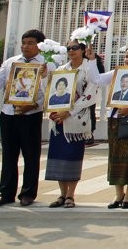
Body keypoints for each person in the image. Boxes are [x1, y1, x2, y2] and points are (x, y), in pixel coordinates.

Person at [87, 44, 128, 209]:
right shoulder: (117, 73)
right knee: (115, 157)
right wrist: (91, 61)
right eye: (126, 56)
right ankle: (118, 193)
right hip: (116, 120)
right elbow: (97, 79)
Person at [0, 31, 60, 207]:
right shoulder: (11, 62)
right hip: (9, 113)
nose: (26, 46)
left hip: (30, 115)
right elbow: (1, 83)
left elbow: (50, 90)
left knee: (30, 155)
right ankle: (6, 192)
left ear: (39, 46)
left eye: (30, 43)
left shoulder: (47, 65)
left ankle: (27, 193)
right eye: (24, 42)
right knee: (9, 155)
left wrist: (33, 105)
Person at [41, 41, 97, 209]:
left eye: (75, 48)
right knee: (59, 156)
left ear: (82, 50)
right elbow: (49, 92)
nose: (71, 51)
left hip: (76, 120)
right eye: (69, 49)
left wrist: (70, 112)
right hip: (59, 119)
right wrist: (44, 78)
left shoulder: (88, 70)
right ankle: (62, 193)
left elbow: (90, 95)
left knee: (72, 155)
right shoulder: (61, 70)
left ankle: (71, 195)